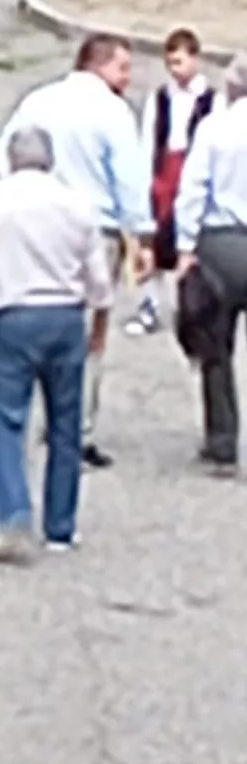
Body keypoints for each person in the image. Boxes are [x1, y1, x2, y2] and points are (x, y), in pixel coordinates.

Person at [0, 33, 153, 468]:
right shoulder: (114, 113)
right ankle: (75, 428)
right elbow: (130, 179)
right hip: (95, 228)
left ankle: (36, 411)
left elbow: (3, 156)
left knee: (40, 309)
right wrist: (141, 235)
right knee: (90, 329)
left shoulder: (38, 101)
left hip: (36, 225)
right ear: (99, 65)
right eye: (122, 67)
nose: (127, 77)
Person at [0, 123, 114, 563]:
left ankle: (13, 516)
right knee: (65, 421)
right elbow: (98, 277)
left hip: (15, 315)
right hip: (65, 316)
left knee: (5, 417)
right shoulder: (75, 203)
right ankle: (60, 526)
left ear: (12, 160)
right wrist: (100, 323)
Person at [174, 53, 247, 471]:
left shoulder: (214, 128)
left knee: (215, 344)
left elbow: (193, 190)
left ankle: (222, 441)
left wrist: (186, 247)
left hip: (221, 242)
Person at [128, 28, 215, 337]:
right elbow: (148, 138)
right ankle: (149, 306)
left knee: (192, 245)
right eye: (170, 64)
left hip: (192, 169)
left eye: (179, 62)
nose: (175, 70)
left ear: (195, 58)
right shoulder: (161, 98)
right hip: (165, 170)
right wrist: (146, 176)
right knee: (155, 240)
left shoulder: (211, 100)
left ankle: (192, 311)